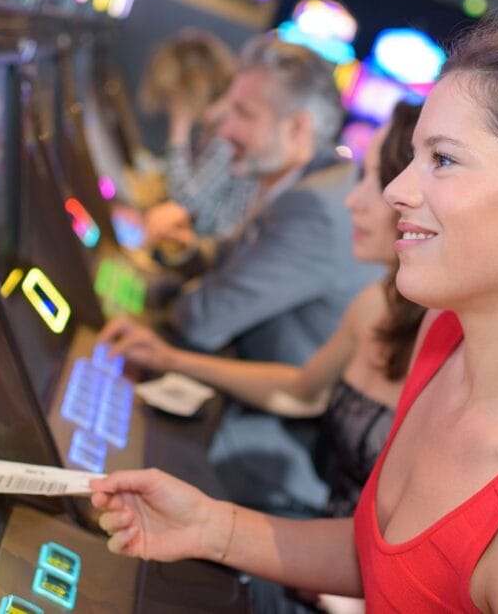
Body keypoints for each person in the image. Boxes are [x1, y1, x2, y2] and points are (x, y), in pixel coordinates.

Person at [90, 18, 498, 611]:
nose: (398, 190)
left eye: (444, 160)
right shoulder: (442, 336)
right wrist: (212, 525)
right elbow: (386, 558)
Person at [100, 101, 424, 520]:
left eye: (376, 181)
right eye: (360, 177)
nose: (352, 202)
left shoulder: (455, 342)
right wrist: (172, 359)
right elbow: (301, 391)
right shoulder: (377, 304)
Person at [155, 35, 382, 365]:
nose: (225, 130)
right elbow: (236, 258)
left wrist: (170, 295)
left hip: (265, 408)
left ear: (297, 128)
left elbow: (204, 321)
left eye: (243, 113)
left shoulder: (315, 208)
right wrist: (188, 252)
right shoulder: (301, 180)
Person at [138, 28, 255, 238]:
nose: (170, 105)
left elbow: (182, 201)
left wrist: (179, 127)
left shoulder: (228, 133)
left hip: (218, 255)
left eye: (172, 97)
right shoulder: (217, 125)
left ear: (188, 89)